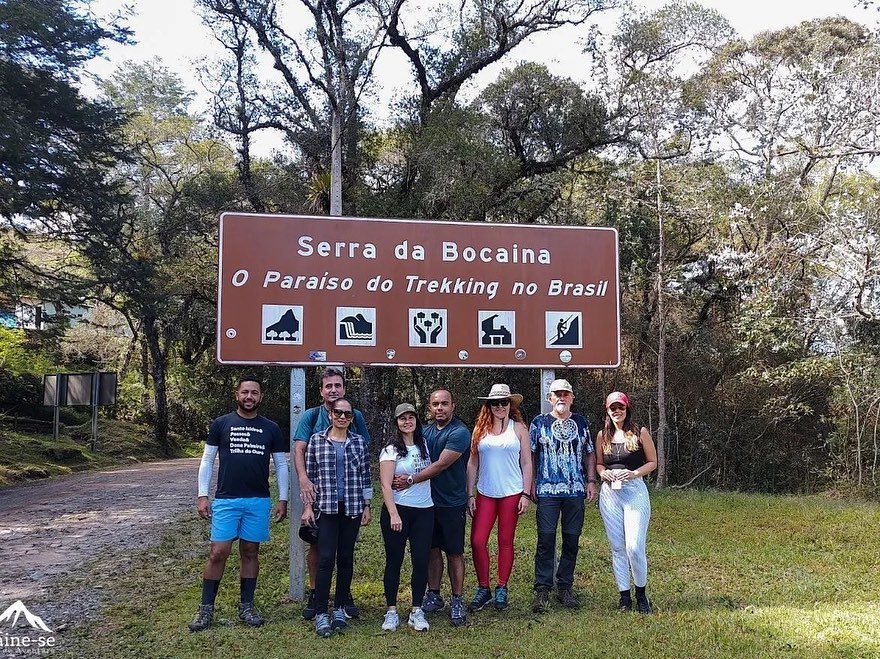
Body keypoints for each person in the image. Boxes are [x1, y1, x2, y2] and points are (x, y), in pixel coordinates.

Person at [189, 376, 289, 632]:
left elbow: (280, 465)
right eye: (245, 392)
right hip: (226, 500)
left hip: (258, 500)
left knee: (250, 552)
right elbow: (207, 460)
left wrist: (283, 498)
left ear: (260, 397)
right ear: (237, 394)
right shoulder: (221, 424)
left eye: (254, 393)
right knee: (218, 552)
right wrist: (202, 495)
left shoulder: (271, 428)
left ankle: (247, 606)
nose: (249, 397)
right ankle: (205, 609)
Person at [294, 366, 371, 620]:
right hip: (322, 499)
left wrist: (366, 503)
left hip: (349, 502)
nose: (333, 390)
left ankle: (342, 598)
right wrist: (304, 483)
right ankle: (318, 596)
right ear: (321, 391)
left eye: (338, 386)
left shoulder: (356, 417)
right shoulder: (312, 419)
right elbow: (300, 452)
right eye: (329, 386)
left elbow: (363, 464)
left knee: (345, 554)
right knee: (320, 550)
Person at [392, 388, 470, 627]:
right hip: (426, 503)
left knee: (454, 552)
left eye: (444, 403)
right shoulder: (423, 431)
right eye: (435, 404)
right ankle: (433, 594)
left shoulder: (460, 432)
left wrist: (410, 479)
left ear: (453, 405)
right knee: (431, 550)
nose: (440, 408)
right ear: (429, 407)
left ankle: (457, 599)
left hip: (451, 502)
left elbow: (440, 465)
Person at [529, 378, 596, 612]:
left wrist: (590, 481)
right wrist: (531, 483)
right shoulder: (539, 423)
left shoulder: (581, 422)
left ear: (572, 398)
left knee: (571, 540)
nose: (561, 398)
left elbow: (589, 453)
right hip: (547, 491)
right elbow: (531, 457)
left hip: (575, 490)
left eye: (565, 394)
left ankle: (565, 587)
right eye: (556, 394)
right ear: (549, 398)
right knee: (546, 539)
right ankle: (543, 589)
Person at [466, 383, 532, 612]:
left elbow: (526, 462)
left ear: (510, 404)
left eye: (504, 402)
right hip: (485, 492)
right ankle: (483, 587)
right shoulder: (480, 430)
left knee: (505, 541)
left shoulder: (519, 429)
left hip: (511, 492)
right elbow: (472, 462)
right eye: (495, 403)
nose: (500, 407)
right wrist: (469, 493)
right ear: (489, 405)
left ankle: (502, 586)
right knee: (477, 540)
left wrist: (526, 493)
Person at [596, 391, 658, 614]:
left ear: (626, 408)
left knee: (634, 546)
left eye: (620, 407)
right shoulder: (603, 435)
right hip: (610, 494)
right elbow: (599, 465)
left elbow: (652, 462)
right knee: (618, 548)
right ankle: (624, 596)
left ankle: (641, 594)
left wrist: (633, 474)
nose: (616, 411)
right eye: (612, 408)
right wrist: (604, 474)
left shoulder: (639, 432)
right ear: (607, 410)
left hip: (634, 491)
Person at [379, 403, 434, 632]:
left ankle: (416, 609)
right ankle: (391, 611)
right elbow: (385, 483)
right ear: (397, 423)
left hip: (424, 510)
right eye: (403, 419)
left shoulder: (425, 445)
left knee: (421, 561)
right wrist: (393, 513)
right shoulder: (390, 449)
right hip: (399, 510)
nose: (407, 422)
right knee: (395, 561)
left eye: (411, 417)